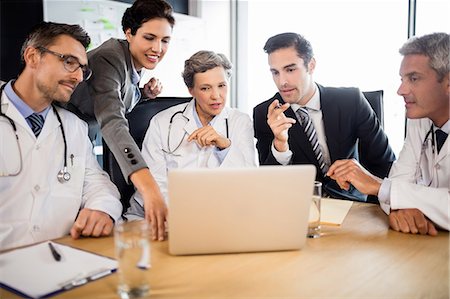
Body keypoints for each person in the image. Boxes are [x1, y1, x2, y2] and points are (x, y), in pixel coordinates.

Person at [0, 22, 122, 251]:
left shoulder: (74, 127)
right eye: (69, 62)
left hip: (60, 258)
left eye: (83, 69)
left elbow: (97, 183)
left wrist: (102, 208)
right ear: (33, 57)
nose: (77, 77)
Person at [69, 0, 175, 240]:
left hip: (83, 144)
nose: (158, 48)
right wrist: (149, 188)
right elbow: (112, 120)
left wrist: (142, 94)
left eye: (165, 40)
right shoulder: (109, 58)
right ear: (129, 33)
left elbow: (118, 97)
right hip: (60, 136)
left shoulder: (134, 62)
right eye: (149, 38)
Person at [327, 32, 449, 235]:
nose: (401, 90)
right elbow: (400, 181)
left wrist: (378, 186)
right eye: (402, 79)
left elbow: (391, 190)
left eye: (414, 78)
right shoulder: (419, 121)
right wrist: (401, 207)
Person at [253, 32, 396, 202]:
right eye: (275, 72)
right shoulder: (266, 113)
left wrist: (375, 211)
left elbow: (385, 164)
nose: (282, 81)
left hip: (353, 205)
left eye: (290, 69)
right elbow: (269, 185)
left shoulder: (351, 101)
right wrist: (280, 145)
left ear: (311, 65)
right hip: (301, 209)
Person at [126, 50, 257, 219]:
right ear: (191, 90)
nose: (216, 96)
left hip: (220, 217)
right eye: (205, 88)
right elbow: (155, 184)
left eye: (221, 86)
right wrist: (187, 217)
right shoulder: (163, 122)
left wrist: (225, 146)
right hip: (160, 215)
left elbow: (249, 182)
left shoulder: (240, 121)